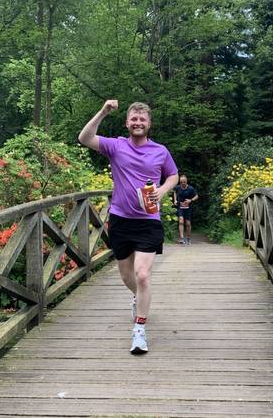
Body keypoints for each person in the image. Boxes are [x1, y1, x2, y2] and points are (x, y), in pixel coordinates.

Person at [78, 100, 178, 355]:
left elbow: (173, 175)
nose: (138, 123)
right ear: (127, 123)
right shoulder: (116, 146)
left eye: (142, 119)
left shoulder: (160, 151)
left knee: (142, 274)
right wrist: (103, 112)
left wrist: (162, 191)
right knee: (126, 276)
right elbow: (84, 138)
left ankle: (139, 329)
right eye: (134, 119)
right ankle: (139, 297)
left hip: (149, 221)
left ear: (149, 124)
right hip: (120, 219)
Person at [173, 174, 199, 245]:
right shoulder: (178, 187)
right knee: (181, 221)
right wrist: (175, 200)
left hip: (188, 208)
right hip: (180, 207)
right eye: (181, 182)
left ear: (186, 181)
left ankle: (188, 238)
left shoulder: (190, 188)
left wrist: (190, 200)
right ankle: (182, 238)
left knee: (188, 223)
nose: (183, 183)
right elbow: (174, 192)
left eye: (184, 182)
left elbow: (196, 196)